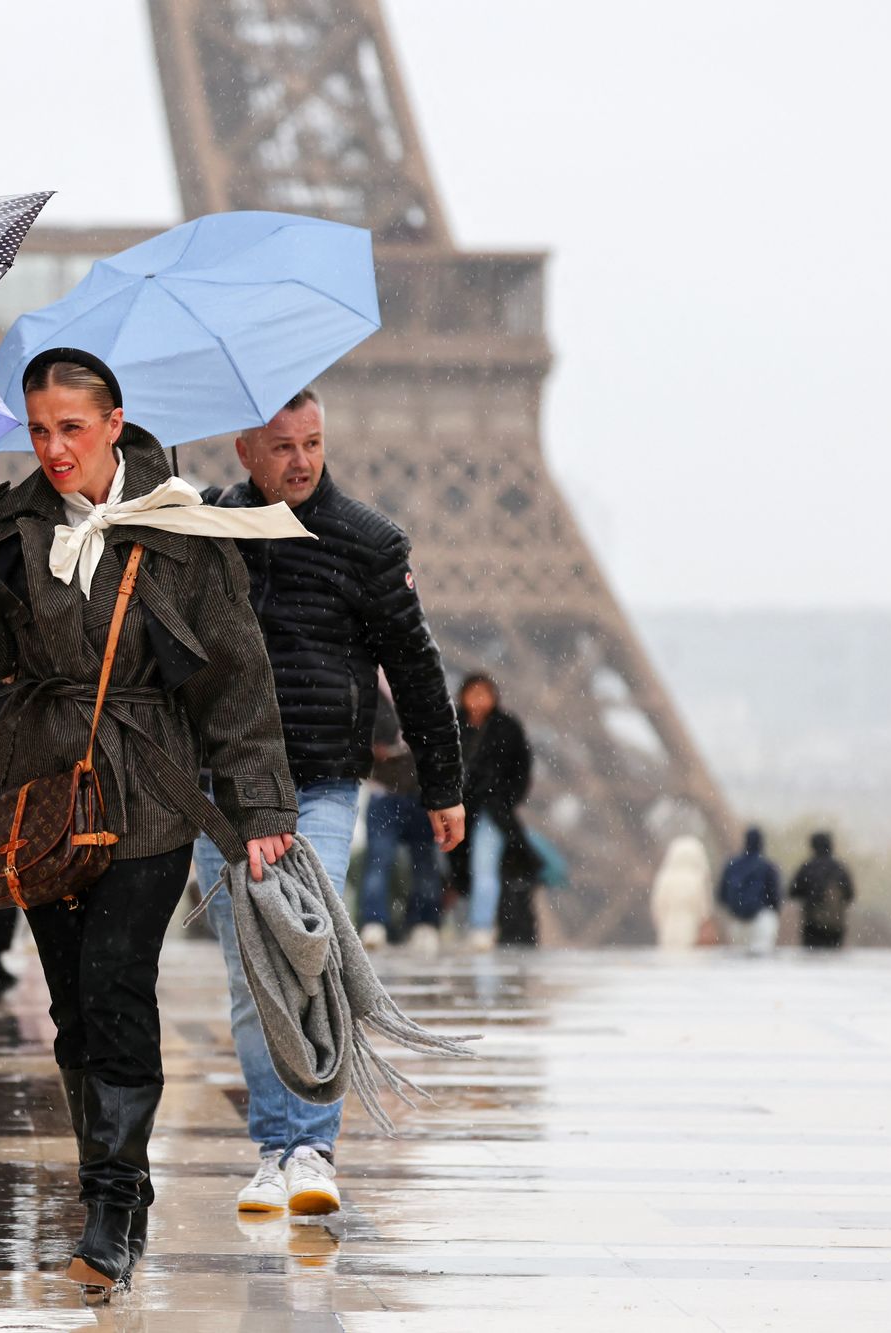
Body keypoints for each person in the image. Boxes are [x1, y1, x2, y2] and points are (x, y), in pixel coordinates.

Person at [0, 349, 303, 1294]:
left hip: (148, 787)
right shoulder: (5, 525)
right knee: (72, 1010)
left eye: (72, 428)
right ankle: (117, 1187)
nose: (53, 447)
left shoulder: (180, 524)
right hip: (45, 791)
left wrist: (260, 806)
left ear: (116, 421)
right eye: (39, 428)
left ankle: (109, 1207)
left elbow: (236, 671)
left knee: (116, 987)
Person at [198, 388, 465, 1218]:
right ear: (244, 450)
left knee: (305, 954)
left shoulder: (368, 540)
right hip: (222, 787)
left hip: (318, 777)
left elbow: (414, 666)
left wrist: (445, 782)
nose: (302, 460)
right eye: (281, 446)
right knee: (251, 973)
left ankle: (313, 1144)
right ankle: (275, 1146)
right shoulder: (205, 532)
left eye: (312, 442)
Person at [358, 687, 447, 956]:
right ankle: (373, 922)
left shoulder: (423, 680)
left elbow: (440, 735)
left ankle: (425, 924)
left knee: (426, 862)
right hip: (383, 789)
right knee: (378, 859)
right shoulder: (366, 684)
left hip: (421, 792)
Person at [457, 673, 533, 952]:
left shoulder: (507, 728)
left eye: (483, 694)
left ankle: (480, 926)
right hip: (459, 810)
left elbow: (522, 770)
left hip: (490, 810)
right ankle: (472, 925)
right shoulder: (455, 725)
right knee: (457, 869)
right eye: (472, 694)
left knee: (483, 867)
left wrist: (504, 798)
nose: (477, 701)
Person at [717, 827, 782, 954]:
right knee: (761, 963)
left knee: (738, 963)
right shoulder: (767, 866)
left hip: (737, 921)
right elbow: (775, 897)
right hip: (762, 920)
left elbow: (722, 896)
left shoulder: (732, 865)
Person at [790, 831, 854, 950]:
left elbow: (793, 892)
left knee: (812, 963)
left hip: (812, 925)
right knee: (834, 963)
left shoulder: (808, 868)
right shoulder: (840, 868)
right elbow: (850, 895)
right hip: (836, 926)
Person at [650, 836, 712, 950]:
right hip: (691, 925)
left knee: (669, 954)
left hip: (668, 926)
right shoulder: (697, 879)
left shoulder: (664, 878)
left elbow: (658, 905)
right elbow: (704, 910)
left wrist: (661, 921)